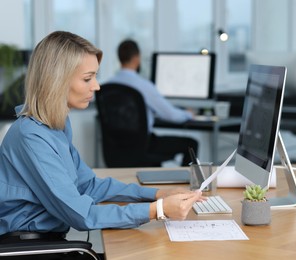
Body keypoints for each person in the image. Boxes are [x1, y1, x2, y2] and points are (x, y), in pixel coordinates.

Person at [0, 31, 203, 259]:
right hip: (30, 250)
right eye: (88, 78)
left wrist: (157, 194)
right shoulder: (31, 137)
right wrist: (160, 211)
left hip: (49, 243)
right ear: (57, 81)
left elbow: (90, 186)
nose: (96, 86)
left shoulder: (56, 126)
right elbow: (82, 214)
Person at [105, 39, 198, 166]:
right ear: (137, 58)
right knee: (191, 144)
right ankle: (187, 183)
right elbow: (171, 115)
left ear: (119, 57)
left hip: (115, 149)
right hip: (143, 146)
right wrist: (188, 114)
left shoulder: (109, 85)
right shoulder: (143, 85)